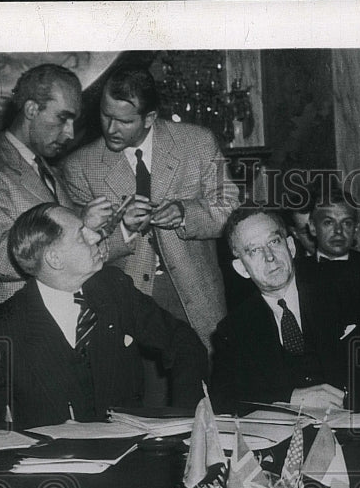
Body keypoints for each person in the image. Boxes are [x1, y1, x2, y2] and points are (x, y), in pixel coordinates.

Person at [0, 204, 207, 431]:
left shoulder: (114, 289)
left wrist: (184, 418)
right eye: (81, 236)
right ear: (55, 259)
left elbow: (183, 342)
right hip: (55, 468)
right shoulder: (0, 329)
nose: (96, 237)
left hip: (132, 458)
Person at [62, 65, 239, 349]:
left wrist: (186, 213)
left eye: (124, 121)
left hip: (198, 301)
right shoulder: (80, 166)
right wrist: (123, 228)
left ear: (150, 118)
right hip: (125, 306)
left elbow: (230, 209)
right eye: (105, 115)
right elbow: (75, 247)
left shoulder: (199, 143)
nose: (110, 129)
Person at [210, 207, 360, 415]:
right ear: (241, 268)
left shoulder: (345, 280)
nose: (269, 257)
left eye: (274, 242)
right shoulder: (235, 328)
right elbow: (222, 398)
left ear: (290, 246)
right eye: (253, 251)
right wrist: (290, 398)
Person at [0, 64, 114, 312]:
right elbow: (1, 259)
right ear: (31, 109)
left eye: (73, 121)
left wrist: (119, 226)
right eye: (63, 118)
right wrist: (83, 222)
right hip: (19, 327)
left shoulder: (46, 169)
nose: (70, 133)